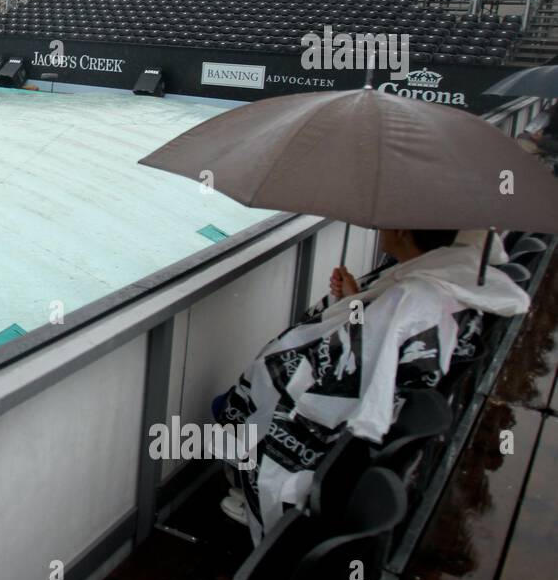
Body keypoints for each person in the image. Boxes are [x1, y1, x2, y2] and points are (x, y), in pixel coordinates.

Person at [214, 228, 530, 542]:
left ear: (404, 232)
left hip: (332, 446)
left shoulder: (410, 298)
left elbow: (347, 381)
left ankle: (254, 497)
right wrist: (356, 299)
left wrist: (269, 381)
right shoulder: (448, 280)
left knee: (232, 405)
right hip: (386, 438)